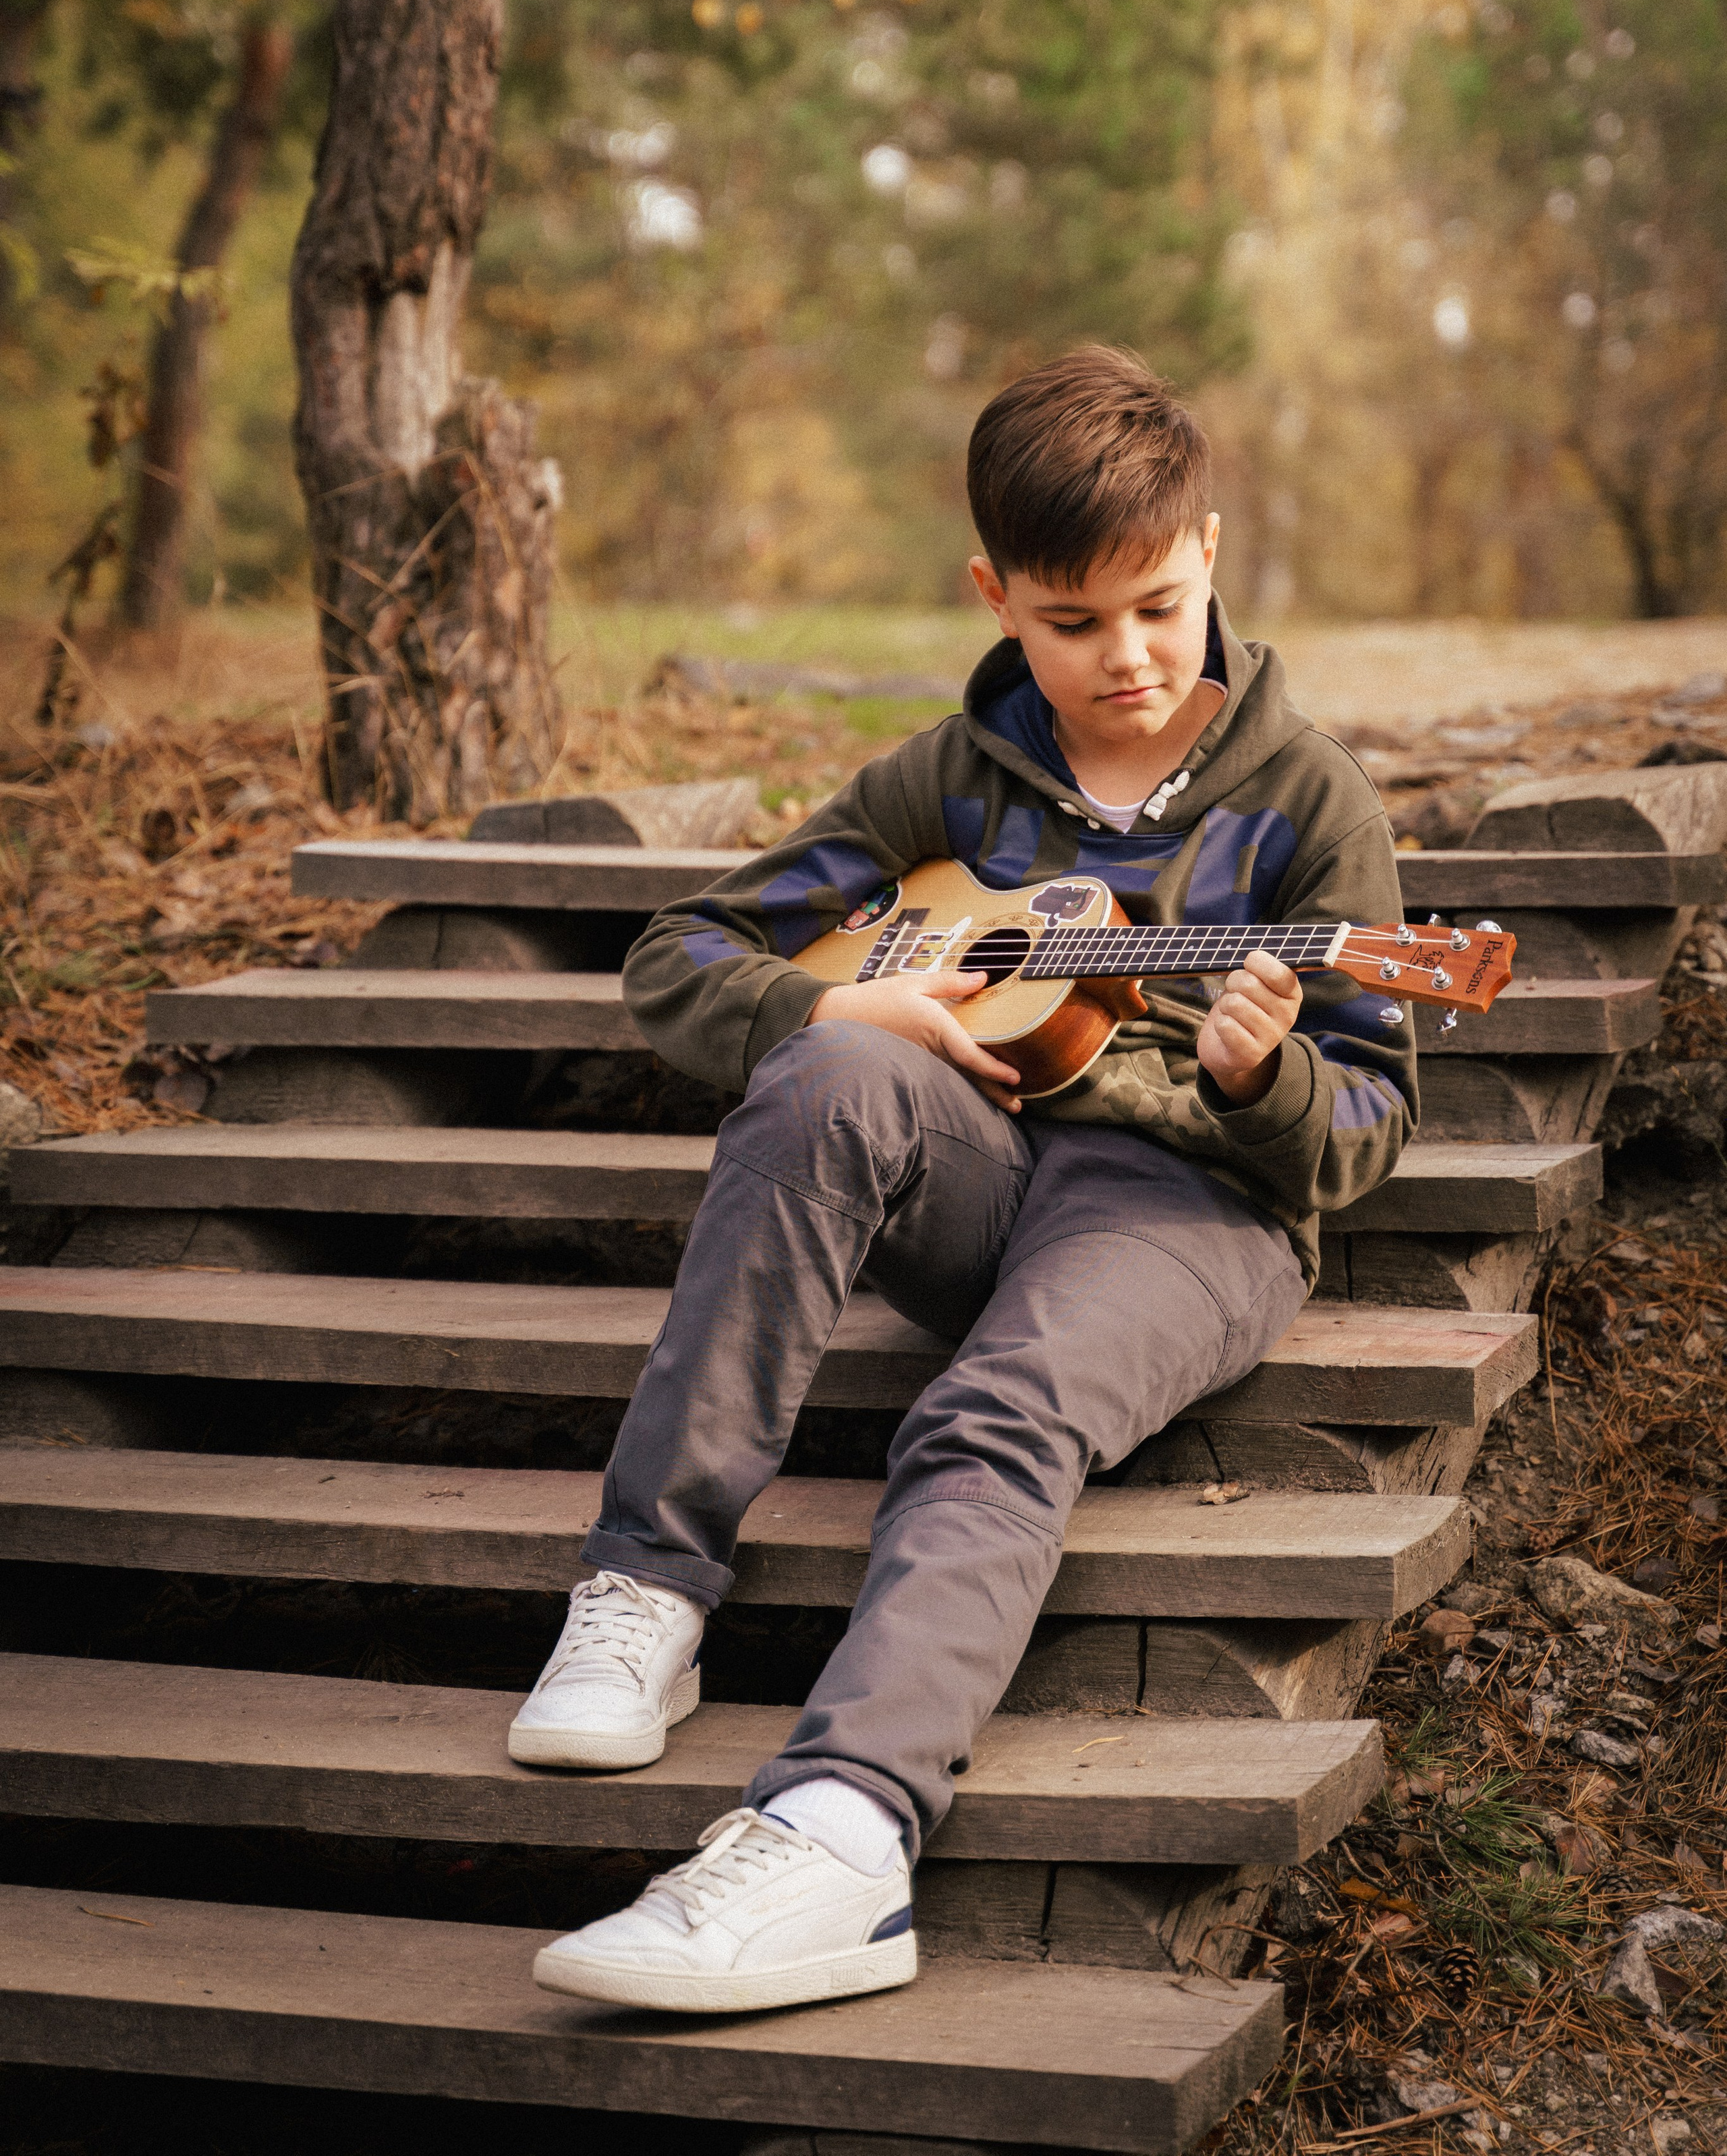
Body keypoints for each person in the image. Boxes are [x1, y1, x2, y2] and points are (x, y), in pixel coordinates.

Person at [515, 345, 1417, 2017]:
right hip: (983, 1174)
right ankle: (647, 1584)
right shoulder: (945, 780)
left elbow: (1362, 1119)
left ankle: (839, 1838)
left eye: (1154, 606)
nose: (1124, 659)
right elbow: (677, 949)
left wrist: (1261, 1073)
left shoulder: (1306, 803)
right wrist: (832, 997)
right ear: (994, 595)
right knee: (832, 1066)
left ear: (1208, 551)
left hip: (1192, 1210)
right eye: (1069, 625)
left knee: (989, 1408)